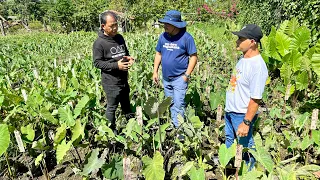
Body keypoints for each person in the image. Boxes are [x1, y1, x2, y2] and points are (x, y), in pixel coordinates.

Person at [224, 24, 268, 169]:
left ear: (252, 42)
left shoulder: (257, 66)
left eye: (241, 38)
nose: (237, 41)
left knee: (246, 149)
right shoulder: (243, 59)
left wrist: (246, 122)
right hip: (231, 111)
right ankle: (234, 171)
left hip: (241, 114)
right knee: (230, 143)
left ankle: (249, 174)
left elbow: (255, 99)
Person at [153, 10, 198, 128]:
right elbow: (158, 54)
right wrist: (155, 71)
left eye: (167, 24)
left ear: (175, 25)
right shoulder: (163, 37)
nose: (165, 26)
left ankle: (180, 131)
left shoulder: (186, 38)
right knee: (171, 103)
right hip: (166, 78)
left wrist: (186, 75)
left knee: (179, 104)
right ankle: (175, 126)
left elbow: (193, 57)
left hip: (179, 78)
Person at [93, 11, 135, 133]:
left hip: (123, 79)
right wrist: (117, 65)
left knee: (126, 105)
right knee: (112, 107)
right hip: (111, 82)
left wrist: (129, 58)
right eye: (111, 26)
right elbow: (97, 63)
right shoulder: (99, 43)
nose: (115, 28)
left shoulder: (119, 38)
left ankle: (132, 128)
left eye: (116, 24)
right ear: (103, 26)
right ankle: (111, 132)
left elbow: (125, 53)